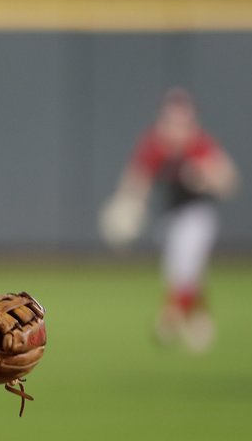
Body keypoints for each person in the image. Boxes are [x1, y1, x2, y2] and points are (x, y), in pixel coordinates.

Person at [99, 87, 238, 353]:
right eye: (171, 117)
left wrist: (204, 177)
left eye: (181, 118)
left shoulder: (199, 145)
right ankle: (199, 321)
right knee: (181, 272)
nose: (176, 124)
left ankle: (169, 319)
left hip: (198, 215)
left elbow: (229, 180)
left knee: (185, 266)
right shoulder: (156, 144)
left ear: (191, 118)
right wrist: (128, 204)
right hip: (171, 218)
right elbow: (137, 178)